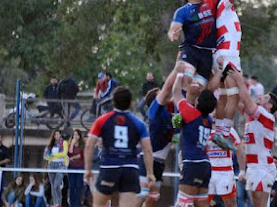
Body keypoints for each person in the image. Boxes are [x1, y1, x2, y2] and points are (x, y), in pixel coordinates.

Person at [168, 0, 252, 102]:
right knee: (186, 80)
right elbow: (175, 27)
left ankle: (188, 117)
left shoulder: (211, 0)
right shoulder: (183, 11)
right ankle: (177, 109)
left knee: (196, 90)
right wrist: (173, 33)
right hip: (191, 50)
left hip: (207, 54)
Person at [84, 86, 156, 207]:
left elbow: (89, 145)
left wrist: (88, 169)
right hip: (130, 169)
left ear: (113, 102)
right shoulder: (139, 123)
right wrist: (150, 173)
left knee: (99, 204)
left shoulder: (102, 120)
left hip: (109, 167)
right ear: (131, 102)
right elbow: (147, 150)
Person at [211, 0, 253, 150]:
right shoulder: (223, 5)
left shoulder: (221, 9)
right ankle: (223, 134)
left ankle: (220, 132)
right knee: (233, 95)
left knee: (224, 96)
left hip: (225, 54)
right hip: (228, 55)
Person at [227, 67, 277, 207]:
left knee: (260, 204)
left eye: (264, 98)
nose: (260, 97)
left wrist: (239, 78)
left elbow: (245, 98)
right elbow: (238, 101)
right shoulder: (253, 116)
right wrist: (227, 80)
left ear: (269, 106)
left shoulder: (266, 116)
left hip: (263, 166)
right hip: (253, 166)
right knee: (255, 204)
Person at [171, 66, 217, 207]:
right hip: (205, 165)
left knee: (183, 203)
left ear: (198, 102)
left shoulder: (191, 113)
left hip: (191, 163)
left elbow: (176, 93)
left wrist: (179, 75)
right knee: (202, 203)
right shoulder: (208, 120)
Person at [134, 64, 178, 207]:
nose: (165, 94)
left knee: (153, 198)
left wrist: (183, 75)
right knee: (142, 195)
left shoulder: (169, 110)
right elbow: (167, 88)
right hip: (149, 160)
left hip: (159, 163)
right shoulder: (154, 111)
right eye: (160, 94)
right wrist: (177, 68)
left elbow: (177, 92)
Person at [207, 121, 246, 207]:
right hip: (207, 171)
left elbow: (239, 150)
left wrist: (242, 170)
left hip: (225, 172)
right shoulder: (204, 129)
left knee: (231, 203)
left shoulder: (229, 131)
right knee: (201, 202)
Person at [44, 130, 68, 207]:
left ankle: (59, 202)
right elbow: (46, 155)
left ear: (60, 135)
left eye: (58, 134)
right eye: (55, 135)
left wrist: (54, 155)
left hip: (60, 165)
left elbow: (64, 154)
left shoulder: (64, 143)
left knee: (56, 185)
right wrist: (51, 156)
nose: (56, 136)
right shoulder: (50, 145)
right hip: (51, 165)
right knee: (52, 185)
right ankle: (55, 203)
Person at [67, 129, 85, 207]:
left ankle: (77, 204)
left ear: (79, 136)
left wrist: (73, 157)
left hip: (80, 167)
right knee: (72, 185)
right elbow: (69, 153)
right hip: (71, 167)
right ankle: (72, 203)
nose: (75, 136)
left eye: (77, 135)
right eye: (74, 135)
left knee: (78, 185)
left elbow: (82, 155)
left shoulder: (83, 144)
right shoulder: (70, 144)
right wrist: (72, 144)